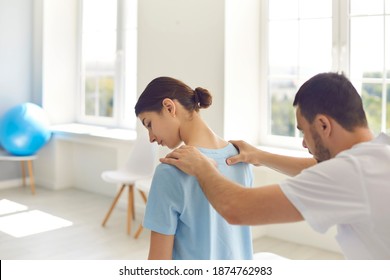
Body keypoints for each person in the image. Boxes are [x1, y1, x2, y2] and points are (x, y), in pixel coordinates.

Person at [161, 72, 390, 260]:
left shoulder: (352, 173)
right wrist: (260, 156)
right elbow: (322, 171)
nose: (303, 143)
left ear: (323, 125)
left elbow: (237, 208)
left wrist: (201, 166)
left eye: (303, 131)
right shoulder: (378, 154)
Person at [134, 76, 254, 260]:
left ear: (169, 107)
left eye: (149, 124)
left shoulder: (170, 170)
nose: (151, 137)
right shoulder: (241, 158)